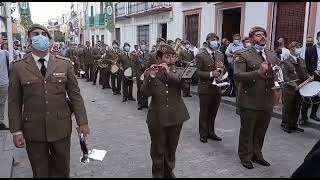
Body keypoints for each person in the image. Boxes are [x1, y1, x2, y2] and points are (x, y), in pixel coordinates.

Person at [8, 24, 90, 178]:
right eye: (35, 34)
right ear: (29, 40)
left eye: (43, 34)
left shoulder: (64, 64)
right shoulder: (18, 67)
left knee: (62, 171)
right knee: (40, 172)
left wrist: (82, 123)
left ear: (49, 40)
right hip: (33, 130)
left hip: (61, 128)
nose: (40, 36)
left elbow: (75, 96)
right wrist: (16, 131)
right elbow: (14, 101)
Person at [234, 26, 280, 169]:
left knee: (261, 130)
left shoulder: (271, 54)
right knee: (247, 130)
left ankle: (257, 154)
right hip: (250, 100)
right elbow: (238, 76)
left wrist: (279, 84)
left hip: (267, 99)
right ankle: (245, 155)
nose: (262, 37)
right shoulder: (242, 54)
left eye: (264, 35)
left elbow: (277, 74)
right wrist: (258, 72)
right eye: (258, 35)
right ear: (252, 38)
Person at [141, 43, 190, 178]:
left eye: (173, 56)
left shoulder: (180, 71)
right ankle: (157, 174)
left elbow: (185, 88)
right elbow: (145, 93)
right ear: (159, 58)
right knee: (158, 148)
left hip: (176, 116)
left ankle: (169, 172)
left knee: (171, 147)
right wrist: (151, 77)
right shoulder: (150, 72)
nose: (170, 59)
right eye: (167, 57)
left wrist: (169, 73)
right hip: (157, 117)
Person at [195, 33, 225, 143]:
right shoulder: (200, 55)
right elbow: (197, 72)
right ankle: (203, 133)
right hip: (205, 88)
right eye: (213, 39)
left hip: (217, 88)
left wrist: (222, 76)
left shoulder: (220, 54)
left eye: (217, 40)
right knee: (204, 112)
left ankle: (211, 132)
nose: (215, 42)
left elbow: (222, 68)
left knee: (213, 112)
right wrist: (211, 74)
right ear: (207, 41)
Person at [280, 41, 309, 133]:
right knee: (288, 106)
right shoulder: (286, 62)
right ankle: (285, 124)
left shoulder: (302, 61)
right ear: (291, 49)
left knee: (297, 106)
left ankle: (294, 124)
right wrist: (295, 86)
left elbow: (305, 72)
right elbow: (285, 77)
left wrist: (309, 77)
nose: (299, 49)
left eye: (300, 47)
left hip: (301, 87)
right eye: (297, 47)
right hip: (290, 88)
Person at [300, 31, 320, 124]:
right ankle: (303, 117)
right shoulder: (310, 49)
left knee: (318, 97)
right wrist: (313, 72)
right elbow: (306, 64)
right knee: (307, 97)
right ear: (317, 38)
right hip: (312, 76)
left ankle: (313, 114)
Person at [135, 40, 150, 110]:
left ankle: (145, 103)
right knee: (140, 88)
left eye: (144, 45)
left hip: (146, 74)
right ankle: (140, 103)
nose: (143, 46)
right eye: (142, 45)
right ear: (139, 46)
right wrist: (134, 75)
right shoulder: (136, 54)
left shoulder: (148, 54)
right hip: (139, 73)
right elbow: (133, 65)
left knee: (146, 88)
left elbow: (149, 64)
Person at [0, 46, 10, 130]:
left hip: (3, 82)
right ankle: (0, 122)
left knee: (2, 103)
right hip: (3, 82)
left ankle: (0, 121)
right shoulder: (5, 53)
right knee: (2, 103)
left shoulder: (4, 53)